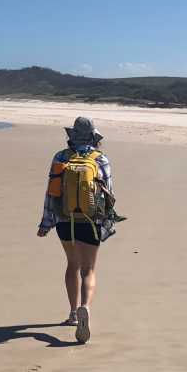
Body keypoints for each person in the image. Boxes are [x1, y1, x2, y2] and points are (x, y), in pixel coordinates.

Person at [36, 117, 122, 343]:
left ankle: (73, 313)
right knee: (88, 270)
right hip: (89, 220)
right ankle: (85, 307)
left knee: (72, 265)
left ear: (72, 137)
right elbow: (108, 195)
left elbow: (50, 193)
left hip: (64, 220)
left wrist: (46, 224)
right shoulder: (101, 159)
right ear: (94, 138)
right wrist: (107, 225)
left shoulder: (61, 157)